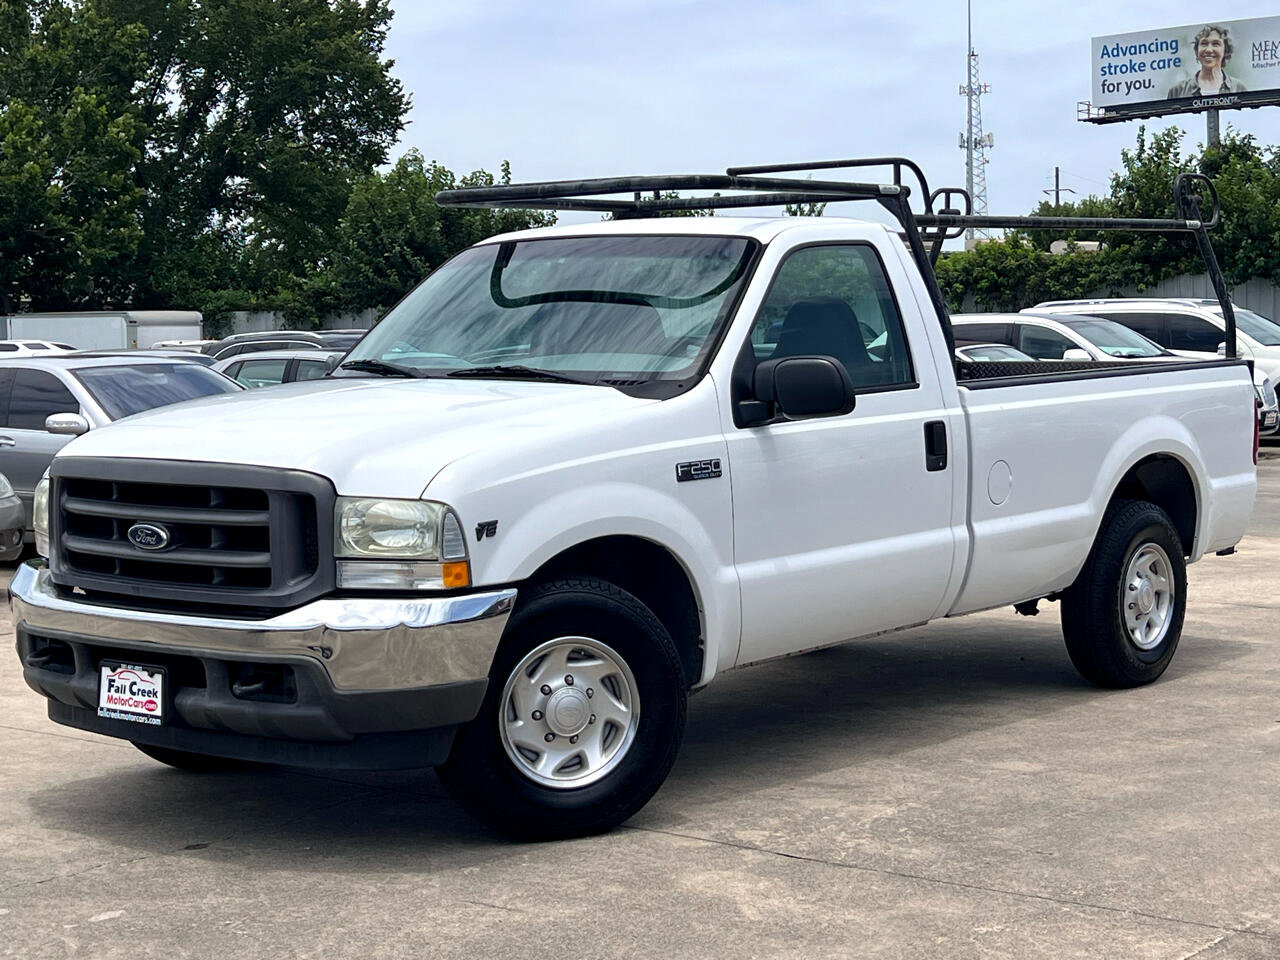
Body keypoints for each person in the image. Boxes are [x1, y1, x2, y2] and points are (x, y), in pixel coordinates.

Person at [1167, 24, 1248, 98]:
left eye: (1216, 44)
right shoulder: (1177, 91)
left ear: (1225, 51)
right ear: (1196, 50)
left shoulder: (1238, 88)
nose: (1209, 50)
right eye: (1204, 44)